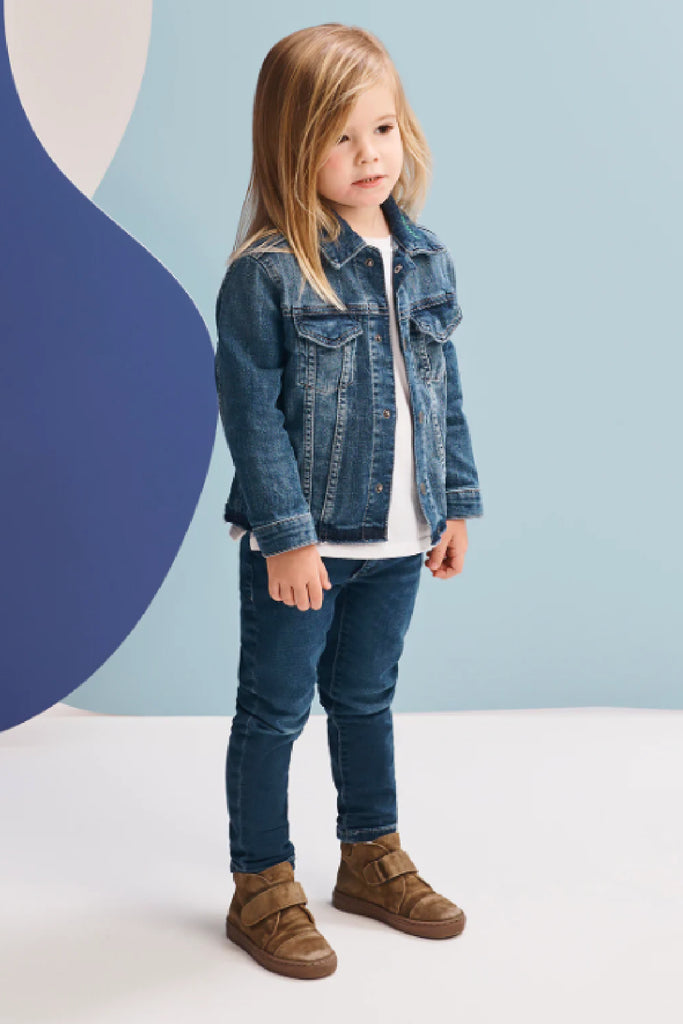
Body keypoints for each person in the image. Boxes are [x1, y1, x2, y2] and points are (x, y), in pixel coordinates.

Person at [214, 23, 484, 980]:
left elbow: (441, 393)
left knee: (366, 698)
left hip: (399, 541)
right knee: (274, 710)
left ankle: (370, 856)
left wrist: (454, 504)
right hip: (307, 548)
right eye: (338, 137)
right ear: (292, 146)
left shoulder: (425, 259)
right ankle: (260, 882)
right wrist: (287, 538)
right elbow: (250, 413)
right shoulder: (268, 272)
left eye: (381, 128)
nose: (369, 154)